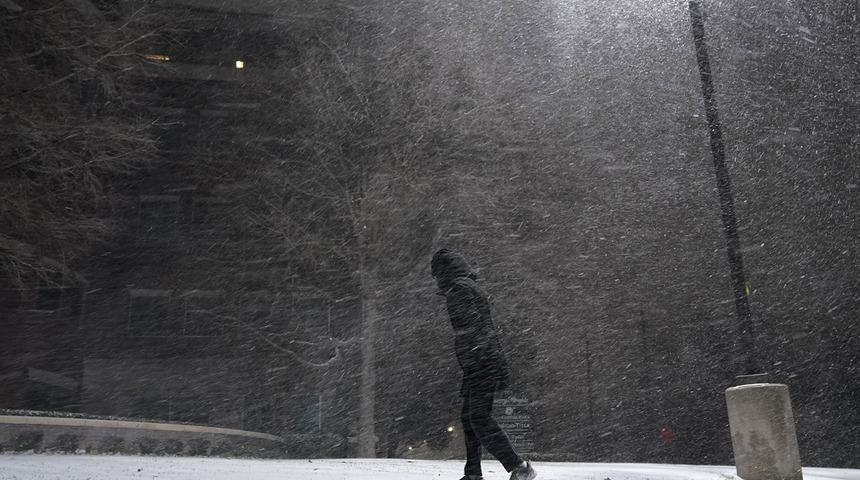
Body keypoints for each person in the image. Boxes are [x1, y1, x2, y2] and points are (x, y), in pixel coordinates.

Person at [431, 249, 537, 480]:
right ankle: (472, 474)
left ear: (443, 273)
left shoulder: (459, 291)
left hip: (480, 363)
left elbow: (470, 329)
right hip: (481, 362)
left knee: (478, 417)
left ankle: (519, 467)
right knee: (469, 416)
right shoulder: (468, 287)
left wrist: (475, 356)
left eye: (437, 276)